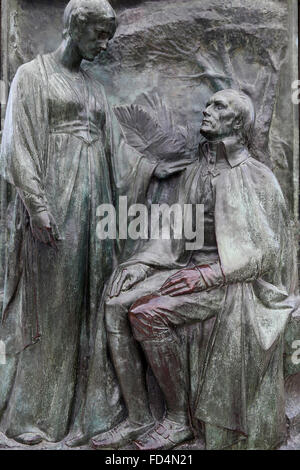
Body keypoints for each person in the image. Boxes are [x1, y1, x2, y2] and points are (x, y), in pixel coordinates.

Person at [0, 0, 186, 446]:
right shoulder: (32, 75)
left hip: (95, 204)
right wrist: (37, 205)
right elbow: (17, 144)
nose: (104, 44)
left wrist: (147, 169)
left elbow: (114, 148)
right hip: (55, 201)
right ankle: (32, 413)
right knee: (53, 307)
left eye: (109, 35)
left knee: (90, 303)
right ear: (74, 26)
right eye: (99, 34)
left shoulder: (93, 88)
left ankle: (93, 412)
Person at [92, 89, 298, 450]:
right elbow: (175, 230)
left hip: (232, 283)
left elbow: (268, 253)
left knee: (147, 314)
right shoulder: (197, 172)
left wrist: (207, 275)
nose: (207, 109)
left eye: (219, 106)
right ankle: (138, 417)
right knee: (114, 304)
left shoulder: (258, 177)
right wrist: (141, 265)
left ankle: (176, 421)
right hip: (187, 270)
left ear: (237, 122)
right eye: (208, 103)